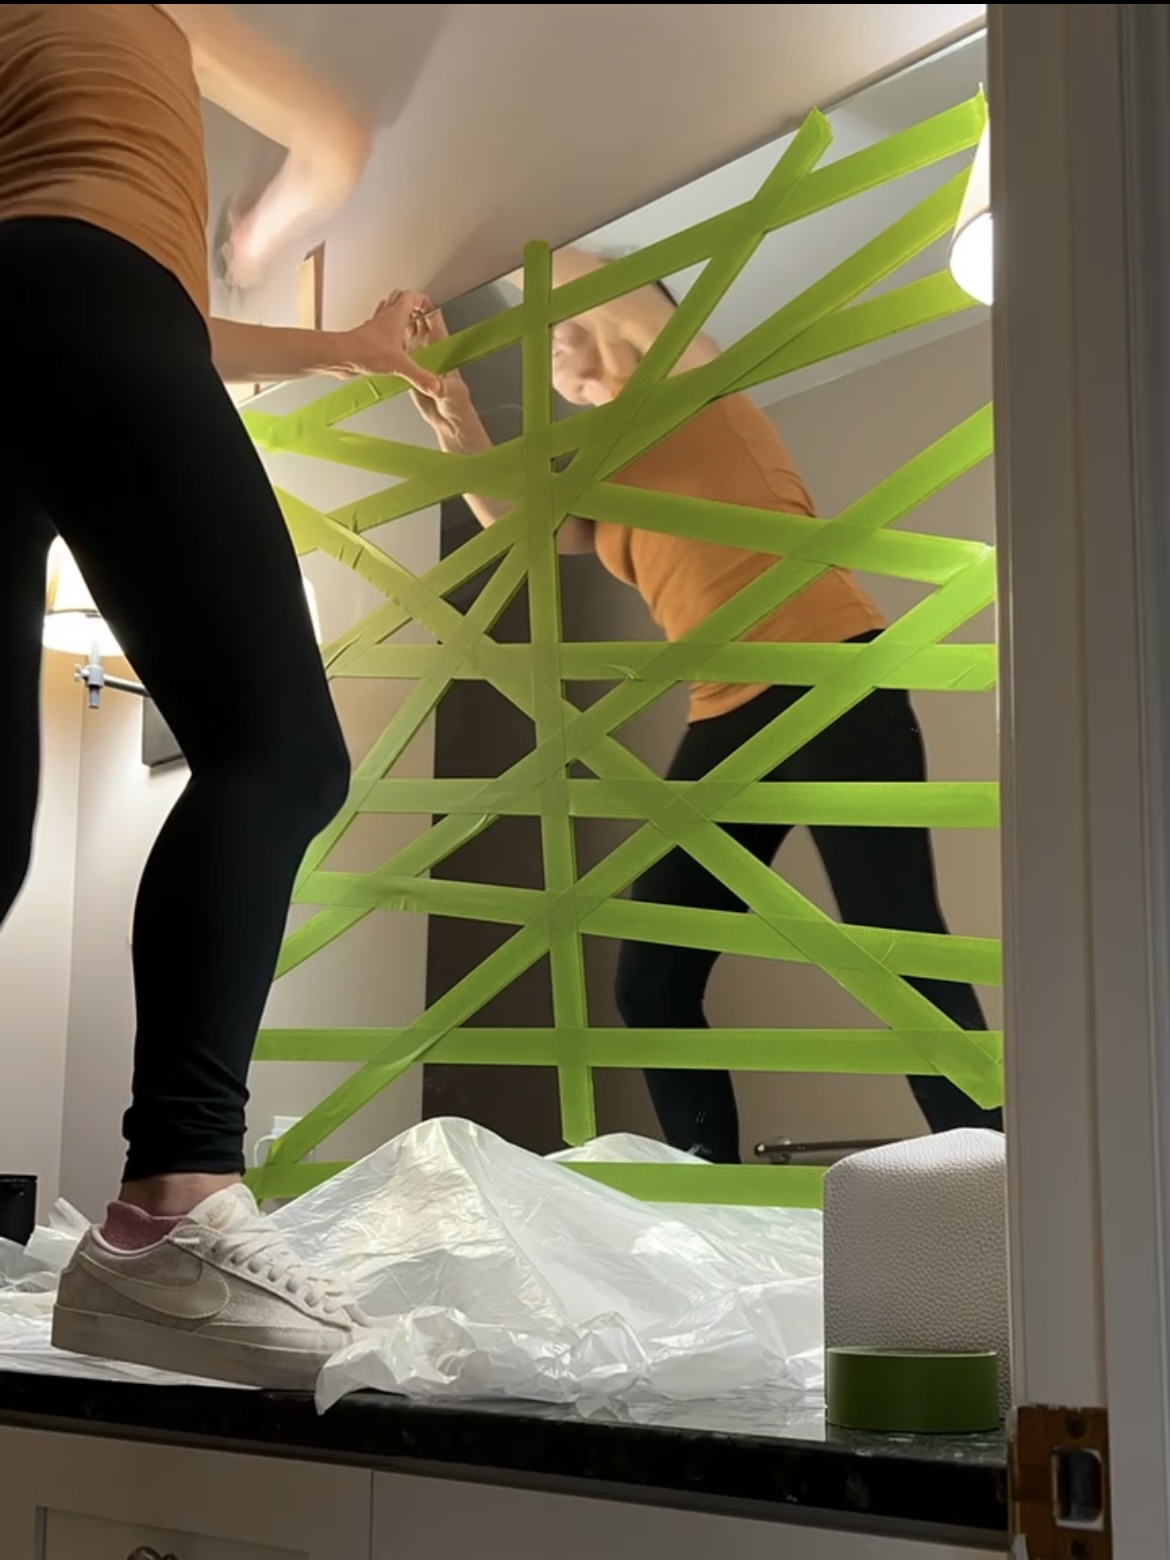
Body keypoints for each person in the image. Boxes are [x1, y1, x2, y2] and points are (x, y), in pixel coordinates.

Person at [0, 4, 442, 1389]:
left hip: (46, 300)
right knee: (278, 753)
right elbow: (331, 139)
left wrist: (342, 350)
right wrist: (263, 223)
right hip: (84, 293)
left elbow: (134, 304)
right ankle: (169, 1215)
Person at [405, 246, 1003, 1165]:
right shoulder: (599, 475)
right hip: (727, 713)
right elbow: (512, 520)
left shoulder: (690, 377)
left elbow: (584, 270)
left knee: (898, 949)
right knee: (652, 980)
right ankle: (713, 1194)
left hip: (830, 672)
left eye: (560, 331)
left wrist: (483, 235)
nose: (552, 349)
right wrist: (454, 416)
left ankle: (995, 1182)